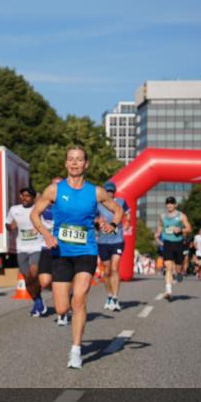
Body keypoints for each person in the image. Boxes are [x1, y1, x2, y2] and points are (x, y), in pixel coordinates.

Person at [31, 146, 122, 369]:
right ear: (65, 164)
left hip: (86, 251)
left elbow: (117, 210)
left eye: (79, 160)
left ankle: (76, 350)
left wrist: (112, 225)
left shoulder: (96, 192)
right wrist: (46, 235)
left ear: (86, 164)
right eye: (71, 159)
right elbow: (35, 213)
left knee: (79, 299)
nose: (74, 163)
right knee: (62, 308)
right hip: (61, 252)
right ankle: (69, 301)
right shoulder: (54, 190)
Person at [6, 186, 44, 316]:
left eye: (27, 196)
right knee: (27, 279)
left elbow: (48, 223)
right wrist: (10, 226)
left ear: (33, 198)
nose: (24, 198)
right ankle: (37, 300)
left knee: (33, 274)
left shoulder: (38, 210)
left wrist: (40, 228)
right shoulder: (14, 209)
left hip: (37, 247)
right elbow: (8, 223)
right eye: (22, 195)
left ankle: (38, 302)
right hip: (21, 248)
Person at [95, 181, 130, 312]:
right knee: (107, 270)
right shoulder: (98, 204)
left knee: (115, 267)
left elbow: (127, 214)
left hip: (117, 240)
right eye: (107, 191)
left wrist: (127, 223)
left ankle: (115, 298)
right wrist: (98, 221)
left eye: (111, 191)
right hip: (103, 242)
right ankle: (109, 295)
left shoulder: (120, 202)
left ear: (114, 192)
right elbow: (93, 219)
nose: (109, 193)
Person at [155, 196, 192, 301]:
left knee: (177, 267)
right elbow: (160, 227)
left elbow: (189, 228)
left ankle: (179, 273)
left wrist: (180, 230)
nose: (169, 205)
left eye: (171, 203)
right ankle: (169, 290)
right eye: (168, 203)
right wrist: (157, 235)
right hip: (167, 243)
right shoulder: (162, 216)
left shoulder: (181, 216)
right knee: (168, 267)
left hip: (178, 243)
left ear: (175, 205)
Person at [37, 177, 62, 321]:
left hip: (64, 249)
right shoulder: (43, 203)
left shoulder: (69, 204)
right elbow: (33, 216)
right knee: (45, 281)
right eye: (54, 186)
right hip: (46, 247)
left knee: (60, 281)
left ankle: (62, 310)